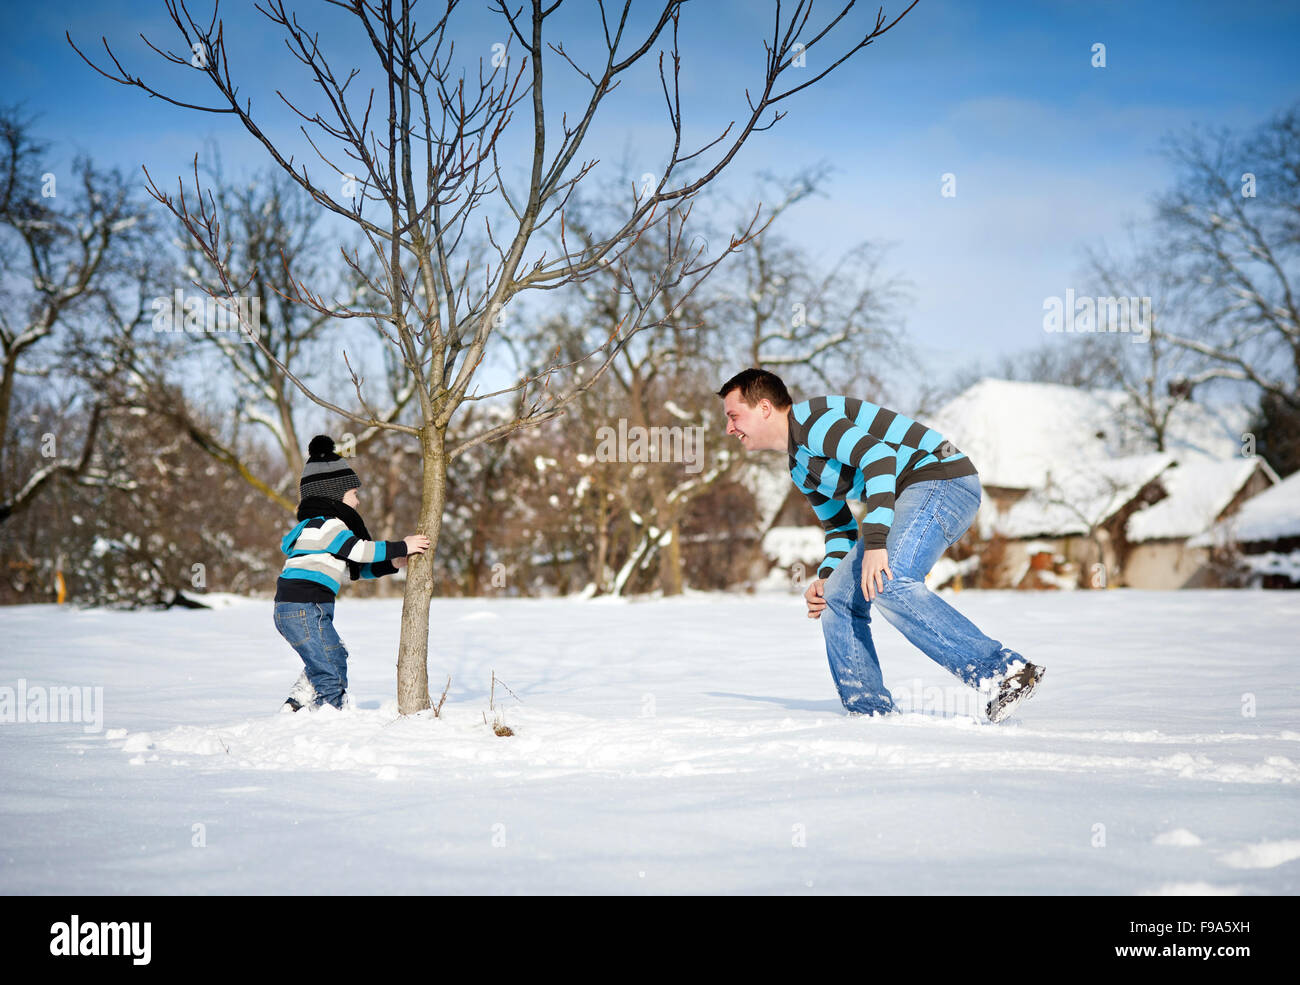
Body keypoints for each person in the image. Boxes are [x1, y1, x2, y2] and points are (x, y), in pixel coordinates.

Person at [717, 368, 1044, 723]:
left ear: (765, 407)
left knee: (889, 576)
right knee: (836, 601)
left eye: (734, 416)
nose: (729, 428)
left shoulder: (814, 420)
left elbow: (879, 459)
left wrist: (875, 544)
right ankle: (870, 712)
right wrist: (827, 578)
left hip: (941, 478)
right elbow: (840, 527)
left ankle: (1004, 672)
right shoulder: (798, 467)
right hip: (911, 495)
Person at [273, 435, 430, 711]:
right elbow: (359, 551)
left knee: (333, 655)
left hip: (297, 607)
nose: (357, 502)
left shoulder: (317, 532)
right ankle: (330, 714)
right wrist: (401, 546)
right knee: (330, 670)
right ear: (334, 496)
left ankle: (298, 701)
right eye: (354, 495)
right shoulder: (327, 525)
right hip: (305, 607)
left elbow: (353, 570)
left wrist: (393, 563)